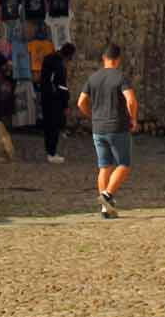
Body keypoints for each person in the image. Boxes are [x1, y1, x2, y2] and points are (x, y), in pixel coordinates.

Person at [76, 43, 138, 218]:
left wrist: (92, 115)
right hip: (117, 127)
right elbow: (131, 100)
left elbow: (81, 102)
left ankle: (106, 208)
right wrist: (133, 118)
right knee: (124, 164)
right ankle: (107, 195)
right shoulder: (121, 77)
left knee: (104, 166)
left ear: (104, 58)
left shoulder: (93, 78)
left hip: (98, 128)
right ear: (118, 60)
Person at [39, 42, 76, 163]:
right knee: (53, 126)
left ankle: (50, 151)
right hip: (54, 100)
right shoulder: (57, 64)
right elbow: (59, 85)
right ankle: (52, 153)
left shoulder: (49, 59)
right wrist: (64, 101)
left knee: (49, 126)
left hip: (47, 98)